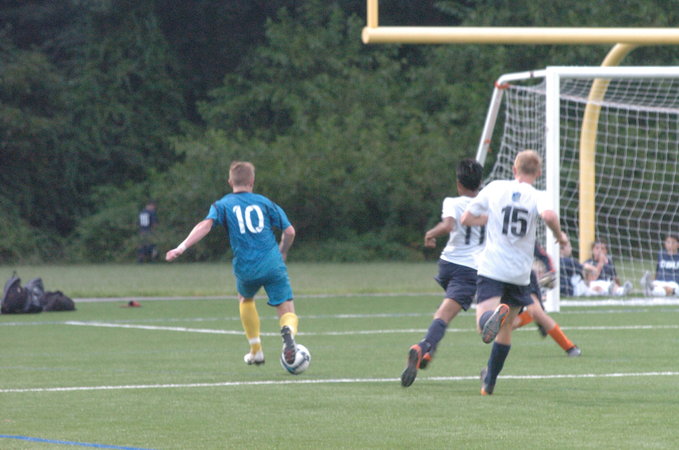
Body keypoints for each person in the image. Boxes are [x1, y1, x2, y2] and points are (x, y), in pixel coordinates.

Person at [165, 161, 300, 366]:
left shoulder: (223, 205)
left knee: (245, 299)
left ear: (230, 182)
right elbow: (290, 232)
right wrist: (283, 251)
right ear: (252, 181)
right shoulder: (265, 202)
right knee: (286, 307)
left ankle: (256, 350)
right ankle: (288, 334)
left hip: (246, 267)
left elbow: (205, 226)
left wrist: (181, 247)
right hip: (272, 263)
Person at [461, 149, 567, 395]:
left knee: (483, 326)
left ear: (513, 169)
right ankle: (489, 382)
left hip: (493, 267)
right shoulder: (537, 195)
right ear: (538, 173)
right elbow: (549, 215)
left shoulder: (495, 187)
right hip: (519, 274)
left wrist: (489, 220)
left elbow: (466, 218)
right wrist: (559, 236)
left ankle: (492, 317)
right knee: (507, 327)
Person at [400, 159, 485, 388]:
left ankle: (429, 351)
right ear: (481, 182)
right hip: (470, 269)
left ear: (458, 183)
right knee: (446, 315)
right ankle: (423, 347)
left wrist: (430, 234)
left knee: (445, 311)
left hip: (448, 264)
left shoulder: (452, 201)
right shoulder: (488, 204)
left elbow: (447, 225)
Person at [511, 246, 581, 357]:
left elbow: (543, 256)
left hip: (525, 277)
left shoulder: (524, 237)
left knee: (536, 312)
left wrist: (550, 272)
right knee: (507, 324)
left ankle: (569, 347)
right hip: (500, 279)